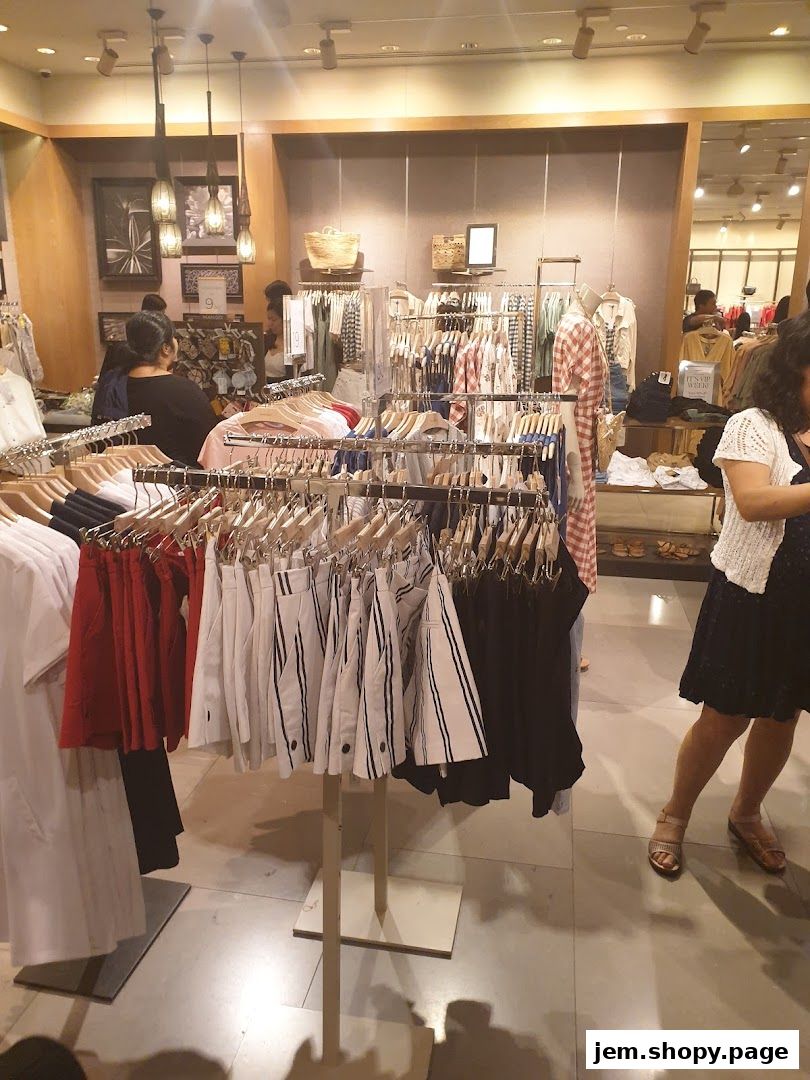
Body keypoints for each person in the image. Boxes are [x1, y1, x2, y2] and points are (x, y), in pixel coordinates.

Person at [649, 311, 810, 878]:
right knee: (724, 718)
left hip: (803, 607)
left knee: (782, 717)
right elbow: (754, 501)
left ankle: (746, 813)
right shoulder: (753, 425)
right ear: (797, 367)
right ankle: (674, 814)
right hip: (752, 596)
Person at [112, 311, 217, 465]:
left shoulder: (112, 385)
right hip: (179, 477)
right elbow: (209, 444)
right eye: (174, 337)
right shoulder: (184, 390)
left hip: (118, 474)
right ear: (165, 348)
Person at [264, 297, 290, 381]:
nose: (270, 324)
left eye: (274, 320)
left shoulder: (292, 345)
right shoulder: (267, 340)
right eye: (269, 319)